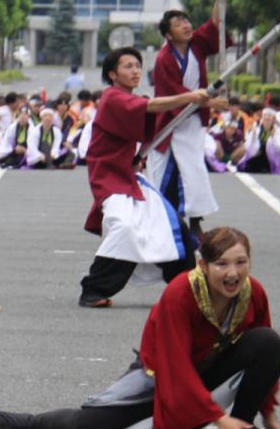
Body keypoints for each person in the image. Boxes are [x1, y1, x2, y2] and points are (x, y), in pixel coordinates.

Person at [0, 227, 280, 429]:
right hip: (161, 374)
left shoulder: (253, 292)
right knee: (91, 428)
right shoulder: (180, 293)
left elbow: (268, 357)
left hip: (209, 368)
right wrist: (218, 418)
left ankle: (243, 427)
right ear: (203, 265)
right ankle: (28, 421)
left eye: (241, 262)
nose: (233, 273)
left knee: (268, 342)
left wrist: (268, 413)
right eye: (222, 264)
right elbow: (174, 367)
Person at [77, 47, 207, 308]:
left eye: (137, 65)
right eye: (127, 66)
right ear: (113, 74)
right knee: (125, 227)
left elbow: (148, 118)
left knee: (170, 224)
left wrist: (206, 101)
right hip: (110, 179)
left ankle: (188, 286)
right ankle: (93, 289)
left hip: (129, 177)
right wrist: (189, 96)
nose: (135, 70)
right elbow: (150, 106)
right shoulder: (112, 97)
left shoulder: (129, 98)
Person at [148, 0, 238, 239]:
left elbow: (215, 24)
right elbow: (175, 94)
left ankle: (195, 222)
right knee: (166, 173)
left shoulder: (196, 44)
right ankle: (166, 220)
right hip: (171, 124)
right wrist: (210, 101)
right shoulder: (164, 59)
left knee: (194, 171)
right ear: (167, 34)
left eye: (186, 20)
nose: (186, 25)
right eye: (178, 23)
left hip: (192, 123)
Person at [238, 108, 280, 174]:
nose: (267, 120)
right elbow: (248, 145)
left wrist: (273, 138)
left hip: (272, 158)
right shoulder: (256, 129)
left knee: (268, 145)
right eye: (265, 118)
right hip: (257, 155)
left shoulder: (278, 131)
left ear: (273, 120)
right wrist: (253, 137)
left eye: (269, 118)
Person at [0, 103, 30, 169]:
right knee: (12, 158)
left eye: (25, 114)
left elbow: (34, 145)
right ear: (18, 115)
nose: (23, 116)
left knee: (19, 160)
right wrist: (14, 149)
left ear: (28, 116)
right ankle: (5, 159)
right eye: (21, 114)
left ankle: (6, 161)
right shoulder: (13, 127)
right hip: (15, 151)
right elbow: (7, 143)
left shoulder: (32, 128)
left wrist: (25, 150)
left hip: (27, 152)